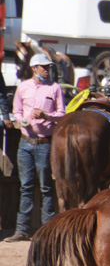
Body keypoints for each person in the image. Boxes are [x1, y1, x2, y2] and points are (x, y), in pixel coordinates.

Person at [6, 54, 64, 241]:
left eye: (48, 67)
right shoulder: (23, 87)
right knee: (26, 186)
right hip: (25, 142)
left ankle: (47, 230)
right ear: (34, 68)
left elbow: (62, 114)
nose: (46, 70)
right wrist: (20, 120)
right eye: (43, 67)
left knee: (46, 187)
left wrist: (47, 116)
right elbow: (16, 110)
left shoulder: (55, 88)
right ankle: (22, 230)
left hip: (44, 143)